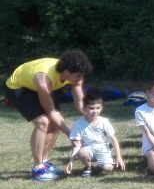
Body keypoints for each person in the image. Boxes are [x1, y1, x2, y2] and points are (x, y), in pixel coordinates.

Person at [5, 51, 91, 181]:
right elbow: (50, 112)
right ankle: (38, 169)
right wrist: (72, 136)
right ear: (66, 72)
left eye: (82, 75)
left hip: (37, 86)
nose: (80, 78)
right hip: (18, 87)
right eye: (78, 75)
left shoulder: (76, 75)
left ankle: (44, 162)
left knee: (57, 119)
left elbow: (79, 103)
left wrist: (89, 119)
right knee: (43, 122)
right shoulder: (44, 80)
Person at [64, 90, 124, 177]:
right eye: (91, 108)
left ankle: (104, 167)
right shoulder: (78, 124)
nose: (95, 111)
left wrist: (119, 157)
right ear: (84, 109)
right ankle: (89, 167)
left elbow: (113, 140)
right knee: (81, 152)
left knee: (108, 168)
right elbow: (76, 145)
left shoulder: (104, 122)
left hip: (103, 148)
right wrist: (71, 161)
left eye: (98, 108)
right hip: (88, 149)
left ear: (101, 108)